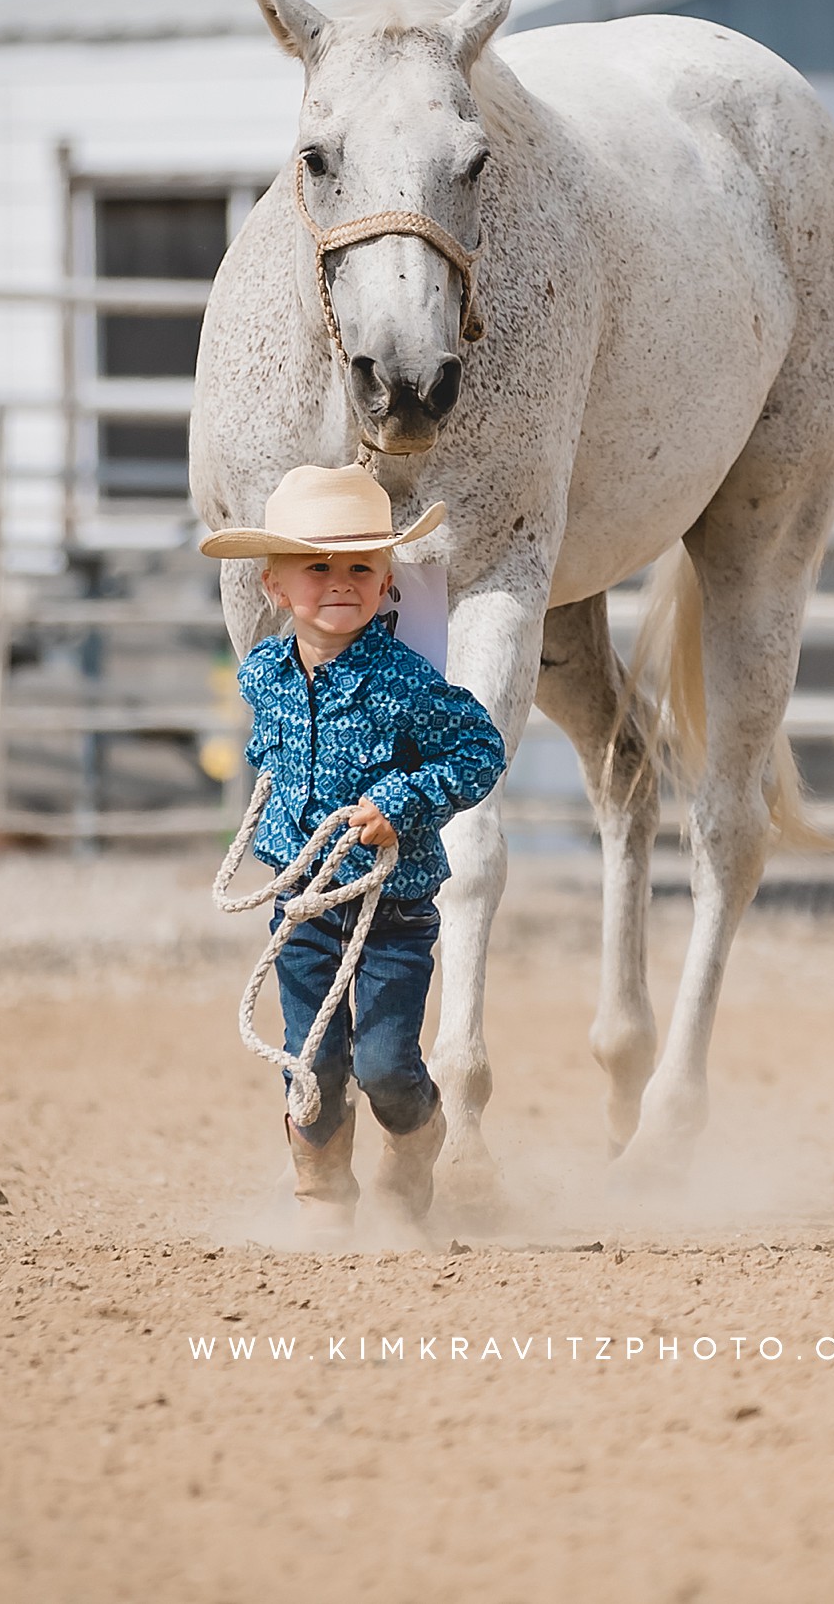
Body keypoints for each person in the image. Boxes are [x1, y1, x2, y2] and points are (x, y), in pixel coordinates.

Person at [200, 463, 506, 1232]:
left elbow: (478, 750)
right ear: (275, 586)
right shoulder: (264, 675)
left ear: (383, 582)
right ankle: (321, 1200)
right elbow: (270, 753)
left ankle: (414, 1147)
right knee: (312, 1064)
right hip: (303, 906)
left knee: (384, 1067)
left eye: (360, 567)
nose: (340, 582)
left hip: (391, 911)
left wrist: (399, 803)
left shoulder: (408, 681)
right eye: (317, 567)